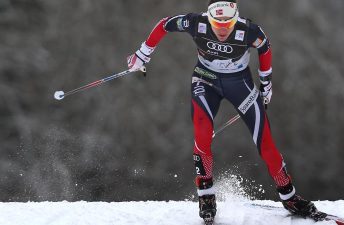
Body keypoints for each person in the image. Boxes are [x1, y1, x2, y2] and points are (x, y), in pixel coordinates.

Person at [127, 0, 320, 223]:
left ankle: (289, 197)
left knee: (266, 144)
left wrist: (266, 83)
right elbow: (163, 25)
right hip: (205, 80)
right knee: (202, 135)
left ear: (235, 18)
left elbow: (265, 47)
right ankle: (206, 196)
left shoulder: (248, 30)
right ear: (208, 18)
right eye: (216, 24)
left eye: (227, 24)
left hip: (240, 85)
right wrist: (142, 54)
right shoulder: (195, 22)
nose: (221, 30)